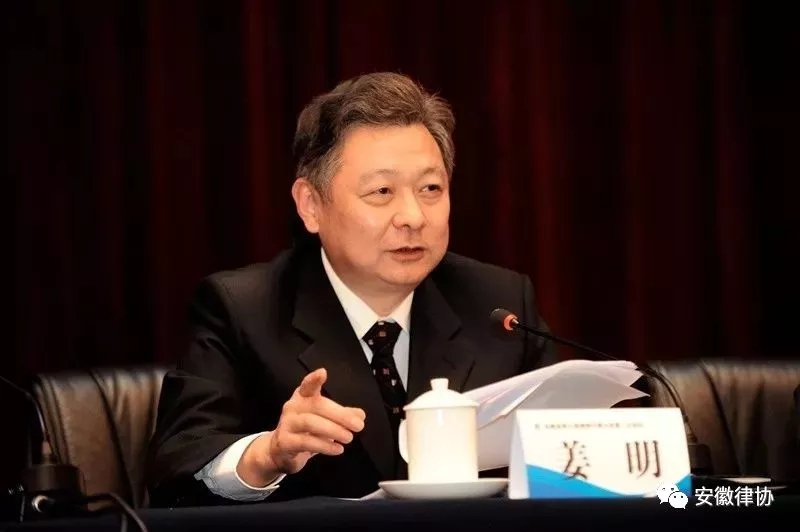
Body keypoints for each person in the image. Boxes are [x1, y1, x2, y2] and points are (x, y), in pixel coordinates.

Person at [146, 71, 556, 507]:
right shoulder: (243, 310)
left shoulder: (498, 305)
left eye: (430, 188)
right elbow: (177, 469)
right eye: (382, 191)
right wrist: (267, 454)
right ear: (311, 205)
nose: (413, 216)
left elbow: (570, 459)